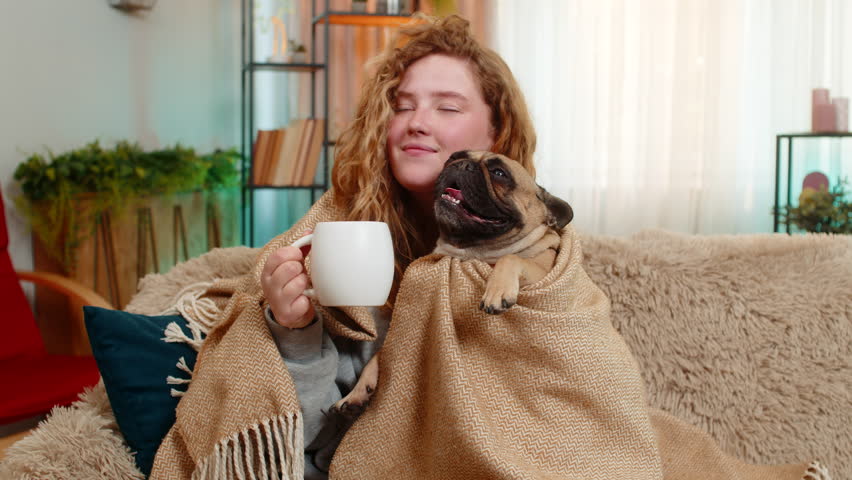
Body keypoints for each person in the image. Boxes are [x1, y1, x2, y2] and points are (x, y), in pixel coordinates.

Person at [258, 13, 537, 479]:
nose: (416, 123)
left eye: (447, 108)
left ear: (497, 133)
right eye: (402, 106)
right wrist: (295, 332)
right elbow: (303, 445)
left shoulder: (535, 254)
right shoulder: (339, 242)